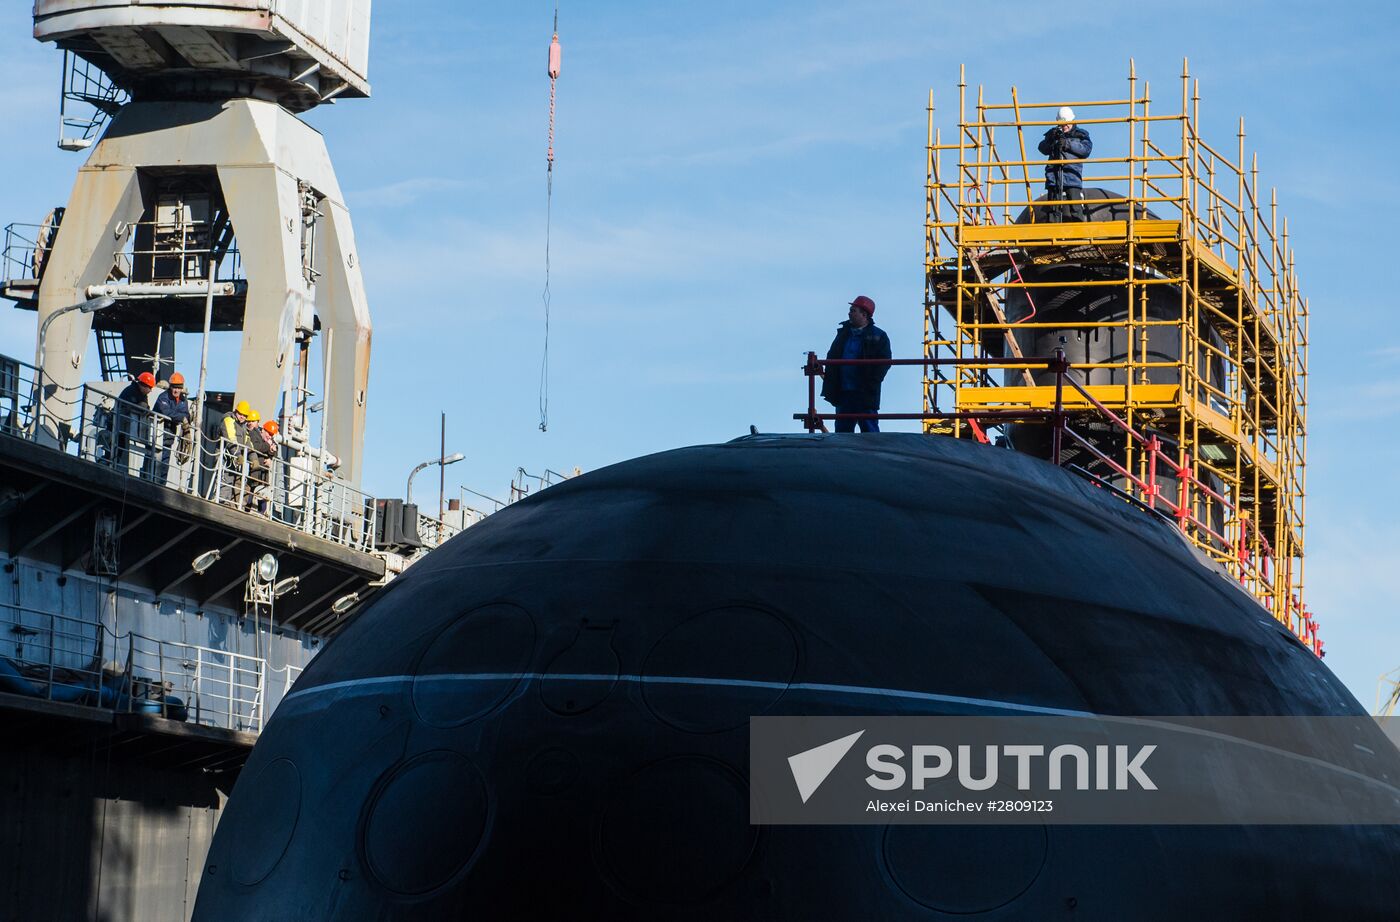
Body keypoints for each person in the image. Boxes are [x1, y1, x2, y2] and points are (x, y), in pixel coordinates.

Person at [821, 295, 891, 433]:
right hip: (844, 392)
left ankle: (872, 453)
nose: (849, 313)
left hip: (864, 393)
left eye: (853, 310)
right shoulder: (843, 334)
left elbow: (884, 363)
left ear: (864, 314)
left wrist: (871, 383)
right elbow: (832, 356)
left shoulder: (879, 336)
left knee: (869, 433)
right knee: (843, 432)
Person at [1037, 106, 1093, 221]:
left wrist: (1067, 144)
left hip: (1072, 175)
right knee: (1053, 209)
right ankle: (1054, 235)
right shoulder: (1053, 134)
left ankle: (1078, 233)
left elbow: (1086, 150)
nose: (1065, 126)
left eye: (1067, 123)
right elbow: (1042, 148)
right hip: (1054, 177)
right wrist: (1052, 141)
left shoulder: (1080, 134)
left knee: (1075, 207)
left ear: (1072, 121)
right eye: (1062, 124)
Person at [113, 371, 156, 477]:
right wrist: (143, 407)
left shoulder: (140, 393)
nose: (150, 391)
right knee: (119, 444)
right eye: (149, 388)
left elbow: (145, 406)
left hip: (126, 425)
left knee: (121, 445)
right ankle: (114, 464)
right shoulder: (131, 391)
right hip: (121, 424)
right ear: (143, 385)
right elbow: (134, 406)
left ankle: (116, 464)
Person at [152, 372, 191, 486]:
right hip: (157, 435)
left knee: (164, 464)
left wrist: (183, 418)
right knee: (152, 459)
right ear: (170, 386)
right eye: (174, 387)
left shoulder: (183, 400)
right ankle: (146, 479)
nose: (176, 390)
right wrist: (182, 418)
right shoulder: (163, 397)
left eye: (178, 388)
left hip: (169, 437)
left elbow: (187, 414)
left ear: (182, 389)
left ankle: (161, 486)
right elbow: (166, 411)